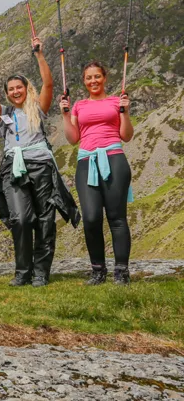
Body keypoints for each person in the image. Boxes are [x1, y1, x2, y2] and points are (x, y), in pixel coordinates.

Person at [0, 38, 80, 287]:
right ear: (7, 93)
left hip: (42, 166)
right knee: (21, 219)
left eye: (18, 87)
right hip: (14, 168)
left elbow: (49, 83)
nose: (15, 91)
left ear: (25, 88)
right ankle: (23, 271)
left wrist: (40, 54)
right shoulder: (4, 114)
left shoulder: (38, 108)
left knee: (45, 219)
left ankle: (41, 272)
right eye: (10, 89)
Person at [60, 61, 134, 285]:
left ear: (105, 78)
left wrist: (126, 112)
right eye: (88, 77)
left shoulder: (116, 102)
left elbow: (126, 135)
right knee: (91, 218)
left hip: (114, 159)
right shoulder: (79, 106)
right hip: (86, 161)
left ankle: (121, 272)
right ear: (84, 81)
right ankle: (98, 271)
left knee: (117, 218)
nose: (93, 81)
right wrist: (65, 114)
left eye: (97, 76)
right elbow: (73, 138)